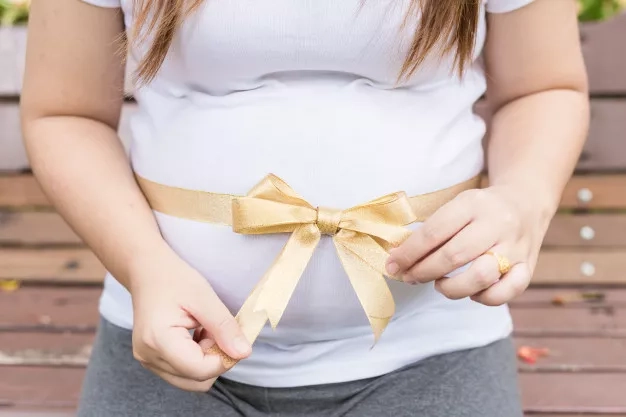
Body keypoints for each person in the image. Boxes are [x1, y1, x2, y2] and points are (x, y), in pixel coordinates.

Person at [21, 0, 588, 416]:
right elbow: (66, 112)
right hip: (171, 350)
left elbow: (542, 87)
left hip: (433, 346)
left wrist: (523, 199)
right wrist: (145, 267)